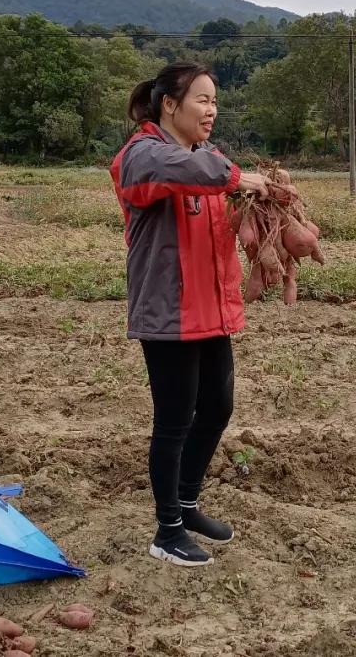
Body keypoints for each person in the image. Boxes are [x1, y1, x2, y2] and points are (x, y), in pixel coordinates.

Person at [109, 61, 270, 567]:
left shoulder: (206, 155)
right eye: (202, 100)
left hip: (210, 309)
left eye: (215, 101)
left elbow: (212, 182)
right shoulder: (142, 156)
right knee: (175, 419)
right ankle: (167, 530)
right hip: (169, 313)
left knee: (218, 407)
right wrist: (239, 177)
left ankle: (186, 502)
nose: (211, 110)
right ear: (169, 105)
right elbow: (183, 172)